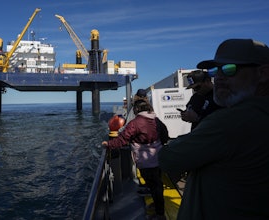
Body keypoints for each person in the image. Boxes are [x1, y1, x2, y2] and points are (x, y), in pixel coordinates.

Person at [158, 38, 269, 219]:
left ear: (263, 73)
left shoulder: (233, 120)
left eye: (229, 69)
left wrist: (198, 123)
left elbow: (168, 158)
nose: (219, 77)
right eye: (215, 70)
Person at [102, 99, 166, 220]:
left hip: (145, 160)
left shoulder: (135, 123)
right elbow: (165, 135)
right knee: (156, 184)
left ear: (136, 109)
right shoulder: (156, 120)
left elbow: (122, 140)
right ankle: (158, 207)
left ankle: (160, 214)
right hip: (158, 157)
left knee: (154, 185)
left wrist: (109, 144)